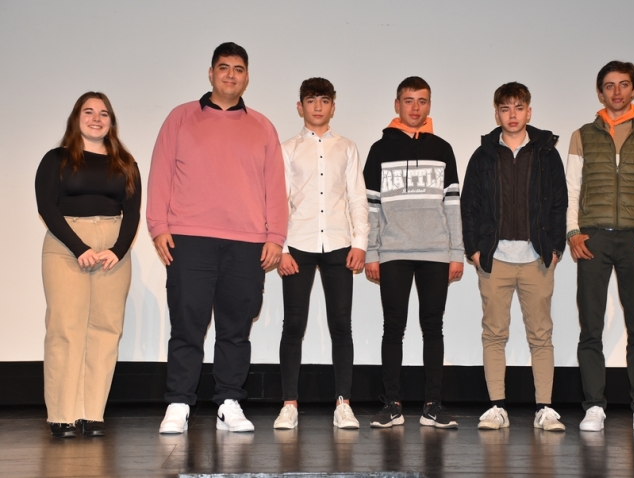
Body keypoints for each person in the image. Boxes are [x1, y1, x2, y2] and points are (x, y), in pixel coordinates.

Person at [146, 42, 288, 434]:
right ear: (210, 73)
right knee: (187, 325)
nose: (230, 75)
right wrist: (158, 226)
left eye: (238, 69)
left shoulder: (262, 126)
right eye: (223, 68)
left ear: (246, 76)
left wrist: (275, 235)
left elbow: (275, 186)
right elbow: (159, 173)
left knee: (235, 328)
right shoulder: (180, 118)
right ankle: (178, 403)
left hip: (247, 243)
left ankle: (229, 402)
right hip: (189, 239)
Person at [567, 61, 634, 433]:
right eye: (609, 86)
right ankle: (594, 406)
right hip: (593, 239)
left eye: (624, 84)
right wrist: (572, 232)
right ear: (600, 92)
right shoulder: (581, 135)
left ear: (633, 90)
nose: (616, 92)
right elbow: (571, 191)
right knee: (591, 328)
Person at [461, 82, 568, 431]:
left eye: (518, 107)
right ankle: (497, 407)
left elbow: (558, 203)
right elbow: (470, 206)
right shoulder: (484, 155)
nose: (512, 115)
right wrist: (475, 250)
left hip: (537, 258)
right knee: (494, 333)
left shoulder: (546, 154)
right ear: (496, 113)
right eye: (505, 108)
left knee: (541, 335)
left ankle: (545, 408)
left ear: (529, 112)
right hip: (495, 260)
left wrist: (554, 248)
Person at [35, 92, 141, 438]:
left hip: (113, 249)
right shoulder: (57, 159)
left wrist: (118, 249)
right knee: (66, 328)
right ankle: (63, 415)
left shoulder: (125, 162)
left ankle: (91, 413)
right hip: (67, 245)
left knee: (106, 330)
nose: (96, 118)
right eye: (89, 112)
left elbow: (133, 211)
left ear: (111, 122)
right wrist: (80, 247)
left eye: (104, 113)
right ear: (76, 118)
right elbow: (47, 207)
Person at [363, 76, 464, 429]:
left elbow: (453, 204)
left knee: (432, 328)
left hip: (436, 252)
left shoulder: (443, 148)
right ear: (397, 105)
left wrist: (457, 252)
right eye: (408, 100)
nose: (415, 107)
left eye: (422, 101)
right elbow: (371, 207)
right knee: (394, 328)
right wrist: (372, 252)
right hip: (393, 252)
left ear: (429, 105)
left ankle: (433, 405)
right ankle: (391, 404)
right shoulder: (379, 150)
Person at [274, 77, 368, 430]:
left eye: (324, 100)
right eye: (311, 100)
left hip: (340, 245)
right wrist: (281, 248)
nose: (317, 106)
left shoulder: (347, 147)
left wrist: (360, 242)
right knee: (293, 326)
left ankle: (343, 403)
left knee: (341, 325)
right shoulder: (286, 149)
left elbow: (357, 197)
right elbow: (278, 200)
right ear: (300, 107)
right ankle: (289, 404)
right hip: (297, 245)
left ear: (333, 106)